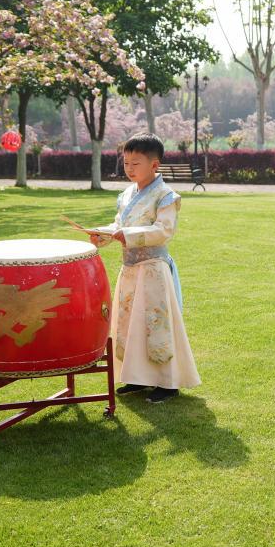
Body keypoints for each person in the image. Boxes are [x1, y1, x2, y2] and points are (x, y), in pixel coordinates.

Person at [90, 135, 199, 403]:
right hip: (130, 269)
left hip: (153, 270)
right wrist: (101, 234)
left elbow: (164, 230)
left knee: (156, 324)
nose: (129, 168)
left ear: (154, 165)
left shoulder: (165, 196)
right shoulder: (127, 194)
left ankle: (168, 383)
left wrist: (128, 234)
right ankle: (137, 377)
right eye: (126, 162)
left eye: (135, 163)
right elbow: (119, 226)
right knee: (130, 323)